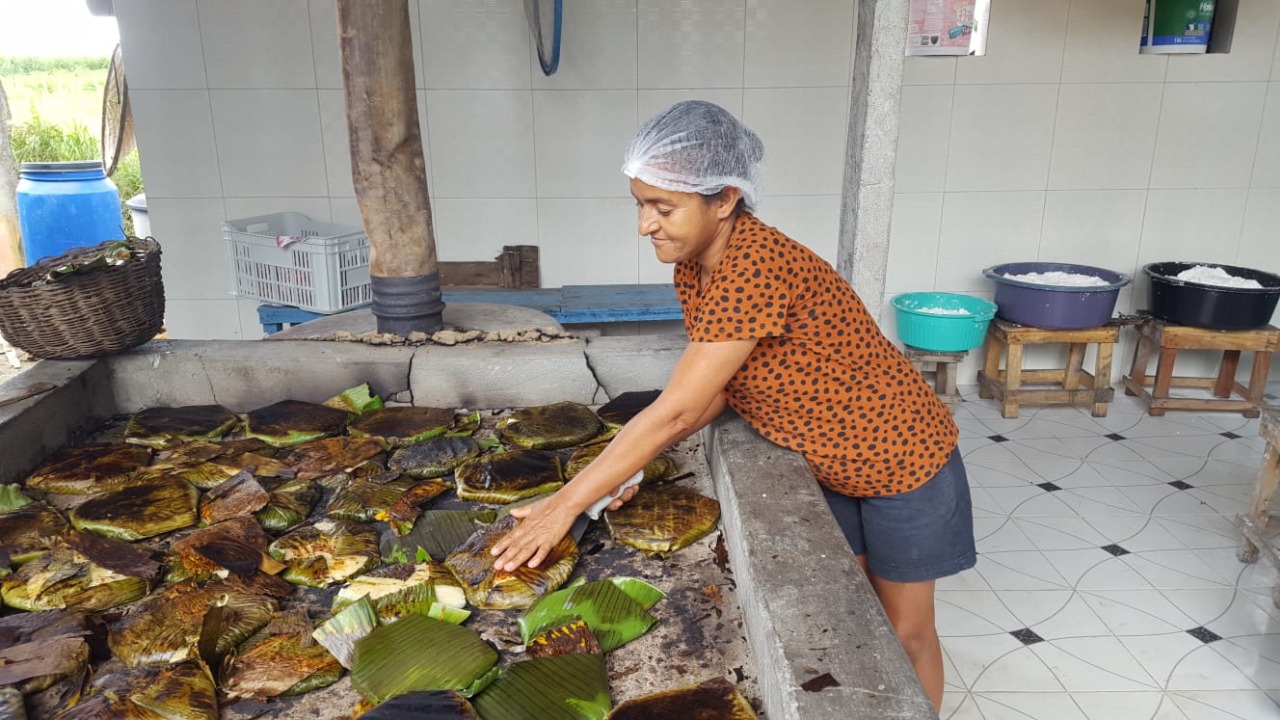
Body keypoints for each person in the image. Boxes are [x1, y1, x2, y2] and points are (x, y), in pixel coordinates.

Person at [491, 100, 975, 713]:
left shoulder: (756, 264)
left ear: (724, 199)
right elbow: (710, 391)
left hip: (900, 460)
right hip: (828, 460)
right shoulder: (697, 265)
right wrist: (627, 466)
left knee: (906, 631)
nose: (646, 225)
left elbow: (674, 410)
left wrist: (564, 505)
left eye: (663, 208)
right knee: (860, 616)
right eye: (640, 204)